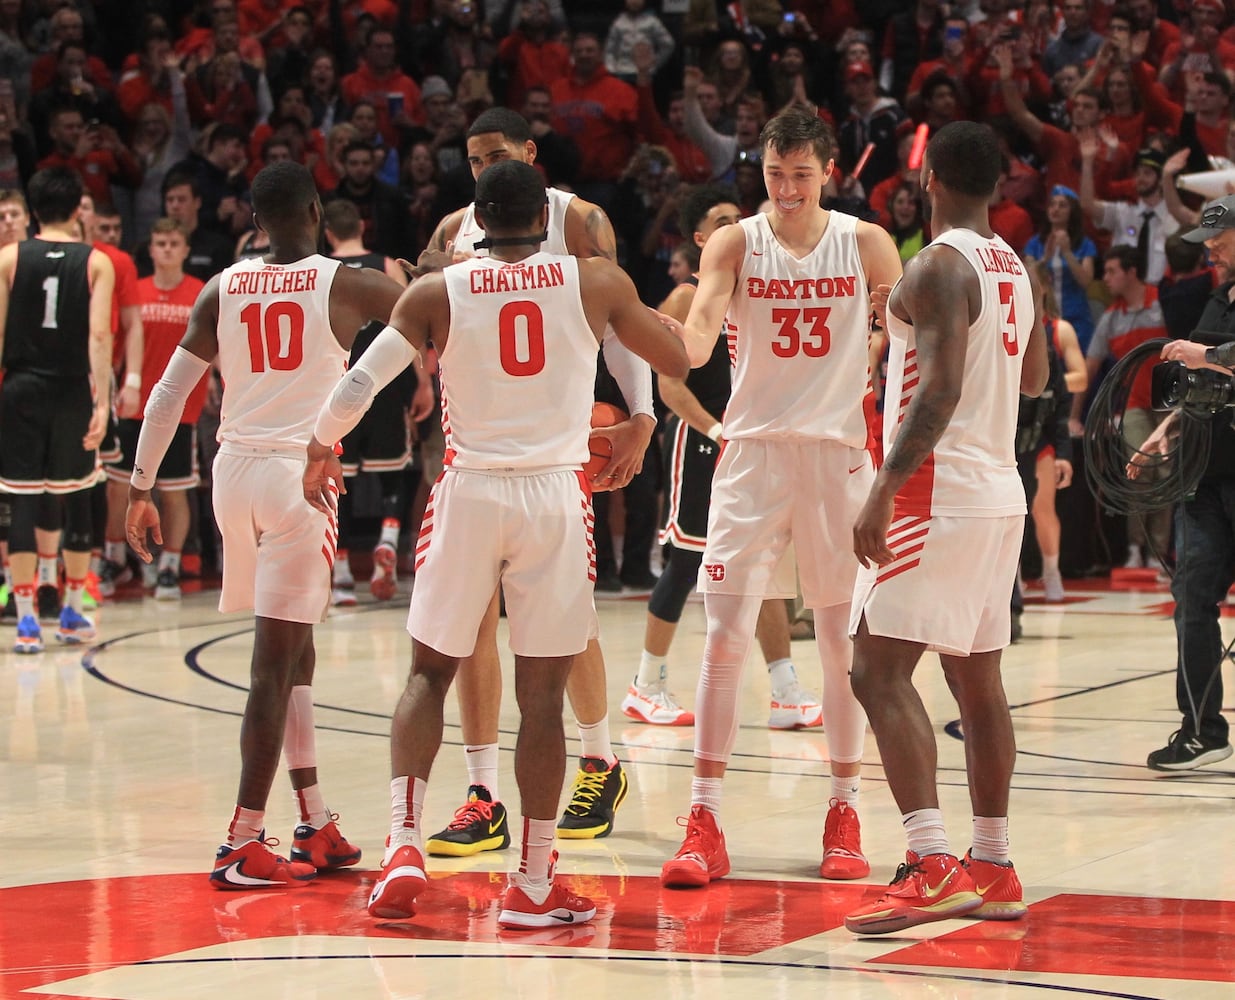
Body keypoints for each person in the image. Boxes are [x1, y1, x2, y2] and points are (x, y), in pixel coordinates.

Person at [302, 158, 688, 927]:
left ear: (474, 221)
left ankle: (403, 843)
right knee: (541, 697)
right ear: (544, 221)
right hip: (553, 495)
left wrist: (320, 444)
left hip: (468, 490)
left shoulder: (435, 290)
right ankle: (535, 883)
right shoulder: (595, 281)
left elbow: (360, 384)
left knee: (426, 674)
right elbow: (677, 361)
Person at [125, 161, 404, 888]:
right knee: (272, 667)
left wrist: (142, 487)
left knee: (294, 650)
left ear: (254, 219)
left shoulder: (222, 286)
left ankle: (313, 821)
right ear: (316, 209)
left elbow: (166, 397)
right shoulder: (344, 282)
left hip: (232, 473)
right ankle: (241, 840)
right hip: (297, 478)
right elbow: (422, 314)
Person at [661, 106, 903, 890]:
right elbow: (698, 338)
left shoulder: (864, 242)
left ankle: (843, 808)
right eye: (774, 174)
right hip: (754, 454)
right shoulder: (735, 241)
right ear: (759, 172)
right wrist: (649, 333)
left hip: (837, 460)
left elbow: (905, 336)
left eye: (801, 174)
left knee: (840, 646)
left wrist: (877, 342)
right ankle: (703, 818)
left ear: (827, 171)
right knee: (724, 637)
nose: (788, 188)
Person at [414, 108, 657, 856]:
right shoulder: (455, 228)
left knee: (564, 619)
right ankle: (482, 791)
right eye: (472, 157)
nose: (484, 167)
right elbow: (420, 314)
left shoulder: (581, 220)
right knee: (473, 623)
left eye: (495, 155)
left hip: (556, 446)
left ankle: (599, 756)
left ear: (529, 153)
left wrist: (641, 415)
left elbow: (622, 324)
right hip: (477, 444)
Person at [845, 120, 1048, 935]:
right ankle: (991, 864)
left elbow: (938, 392)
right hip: (996, 489)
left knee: (874, 669)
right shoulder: (1015, 266)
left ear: (924, 177)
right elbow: (1033, 378)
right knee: (976, 677)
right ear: (997, 187)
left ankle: (929, 862)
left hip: (937, 490)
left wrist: (882, 487)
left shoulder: (935, 265)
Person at [628, 183, 825, 729]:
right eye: (720, 222)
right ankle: (646, 683)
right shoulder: (685, 298)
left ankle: (785, 690)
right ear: (697, 239)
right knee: (686, 561)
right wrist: (717, 431)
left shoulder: (756, 287)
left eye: (737, 219)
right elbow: (669, 388)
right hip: (700, 439)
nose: (733, 228)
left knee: (761, 566)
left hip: (751, 441)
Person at [1130, 193, 1235, 772]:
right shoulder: (1218, 299)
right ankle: (1200, 730)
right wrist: (1161, 436)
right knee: (1192, 602)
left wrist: (1209, 352)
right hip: (1205, 475)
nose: (1212, 249)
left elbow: (1207, 359)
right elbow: (1196, 382)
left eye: (1220, 237)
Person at [0, 167, 114, 653]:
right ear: (76, 210)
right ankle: (69, 610)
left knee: (23, 498)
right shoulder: (97, 262)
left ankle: (26, 619)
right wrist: (102, 401)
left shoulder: (7, 257)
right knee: (77, 494)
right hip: (71, 389)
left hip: (21, 388)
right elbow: (99, 335)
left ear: (34, 208)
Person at [321, 199, 431, 605]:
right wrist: (422, 383)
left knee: (339, 480)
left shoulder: (322, 270)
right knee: (393, 473)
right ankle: (387, 537)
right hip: (386, 385)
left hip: (339, 387)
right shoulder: (386, 266)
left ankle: (343, 570)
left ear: (328, 231)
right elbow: (411, 327)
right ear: (362, 226)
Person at [106, 219, 205, 601]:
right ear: (150, 249)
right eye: (160, 242)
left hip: (182, 409)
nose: (166, 249)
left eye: (173, 242)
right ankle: (115, 556)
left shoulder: (199, 292)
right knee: (119, 488)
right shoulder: (137, 291)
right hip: (133, 407)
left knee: (173, 491)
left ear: (184, 249)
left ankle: (170, 565)